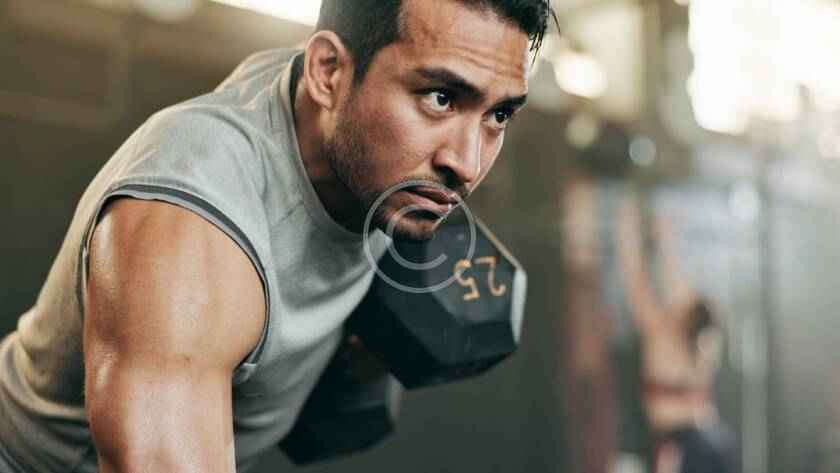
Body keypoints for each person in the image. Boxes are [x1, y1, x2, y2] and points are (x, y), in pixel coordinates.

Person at [0, 1, 556, 472]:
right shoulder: (189, 225)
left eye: (499, 115)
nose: (466, 163)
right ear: (328, 73)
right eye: (440, 98)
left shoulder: (376, 158)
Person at [616, 196, 737, 473]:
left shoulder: (665, 337)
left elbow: (635, 278)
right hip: (704, 439)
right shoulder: (704, 340)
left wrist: (626, 228)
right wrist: (665, 238)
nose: (680, 294)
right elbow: (674, 283)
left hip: (685, 444)